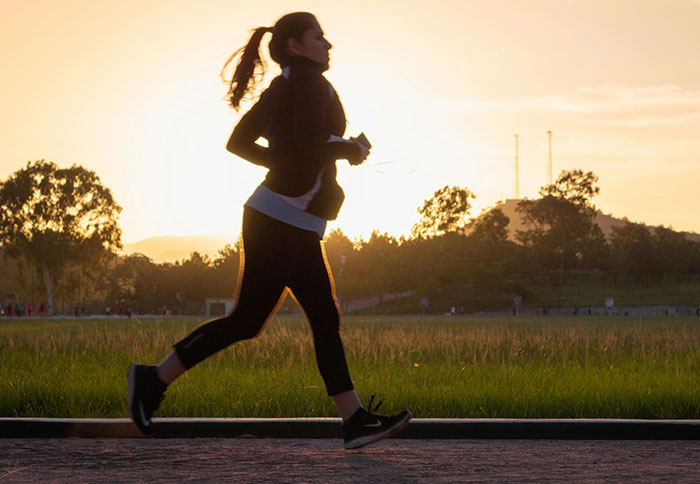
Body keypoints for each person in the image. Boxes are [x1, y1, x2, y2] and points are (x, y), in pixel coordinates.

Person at [128, 12, 411, 450]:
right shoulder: (308, 86)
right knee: (250, 320)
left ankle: (354, 420)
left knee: (321, 317)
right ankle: (152, 379)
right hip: (279, 219)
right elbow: (304, 146)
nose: (328, 44)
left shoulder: (285, 86)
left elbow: (241, 143)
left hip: (287, 218)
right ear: (297, 45)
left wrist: (286, 165)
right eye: (319, 37)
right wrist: (350, 149)